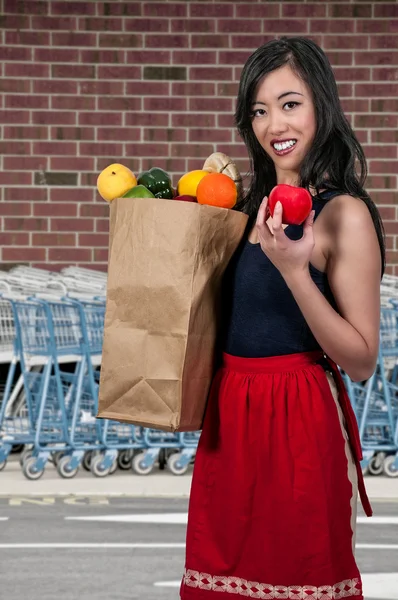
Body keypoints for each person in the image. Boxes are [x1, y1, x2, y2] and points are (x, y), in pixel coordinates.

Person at [180, 36, 385, 600]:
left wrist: (296, 271)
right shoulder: (247, 209)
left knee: (296, 581)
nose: (275, 123)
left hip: (297, 421)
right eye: (260, 109)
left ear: (322, 105)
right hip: (231, 420)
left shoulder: (342, 213)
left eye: (290, 103)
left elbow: (362, 358)